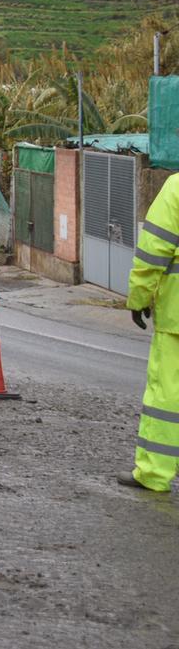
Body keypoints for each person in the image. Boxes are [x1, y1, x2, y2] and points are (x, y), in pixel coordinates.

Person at [122, 172, 179, 493]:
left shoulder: (176, 188)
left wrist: (139, 297)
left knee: (166, 397)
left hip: (176, 321)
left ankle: (154, 472)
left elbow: (152, 253)